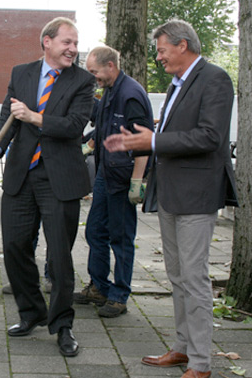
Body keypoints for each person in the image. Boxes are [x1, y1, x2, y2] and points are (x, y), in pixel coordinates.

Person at [103, 19, 238, 378]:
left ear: (182, 45)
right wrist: (149, 136)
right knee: (177, 276)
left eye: (162, 49)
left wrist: (154, 141)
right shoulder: (177, 83)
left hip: (197, 196)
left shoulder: (215, 79)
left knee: (193, 279)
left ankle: (201, 364)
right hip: (171, 193)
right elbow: (176, 132)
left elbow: (210, 137)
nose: (158, 57)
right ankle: (182, 348)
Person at [0, 17, 94, 357]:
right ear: (46, 41)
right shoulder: (22, 73)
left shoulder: (82, 81)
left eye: (75, 43)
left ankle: (62, 326)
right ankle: (31, 313)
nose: (73, 49)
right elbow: (7, 118)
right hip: (21, 176)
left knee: (59, 257)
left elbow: (74, 127)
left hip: (59, 178)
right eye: (67, 42)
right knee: (15, 246)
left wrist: (35, 117)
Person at [74, 46, 153, 318]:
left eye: (95, 72)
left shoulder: (131, 95)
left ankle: (119, 296)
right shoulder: (109, 91)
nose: (94, 77)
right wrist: (89, 145)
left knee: (121, 238)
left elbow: (144, 141)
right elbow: (103, 126)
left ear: (110, 66)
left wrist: (137, 181)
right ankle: (99, 286)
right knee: (95, 231)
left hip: (122, 179)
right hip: (105, 175)